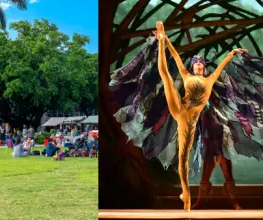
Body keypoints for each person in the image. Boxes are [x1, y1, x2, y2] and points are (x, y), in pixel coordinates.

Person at [109, 20, 262, 212]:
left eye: (200, 62)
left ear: (204, 67)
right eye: (195, 62)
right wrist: (165, 40)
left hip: (190, 120)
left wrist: (231, 54)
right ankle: (161, 39)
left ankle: (186, 192)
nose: (197, 63)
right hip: (179, 110)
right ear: (192, 66)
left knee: (183, 157)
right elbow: (175, 56)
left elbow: (222, 66)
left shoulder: (210, 79)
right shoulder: (186, 75)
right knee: (165, 77)